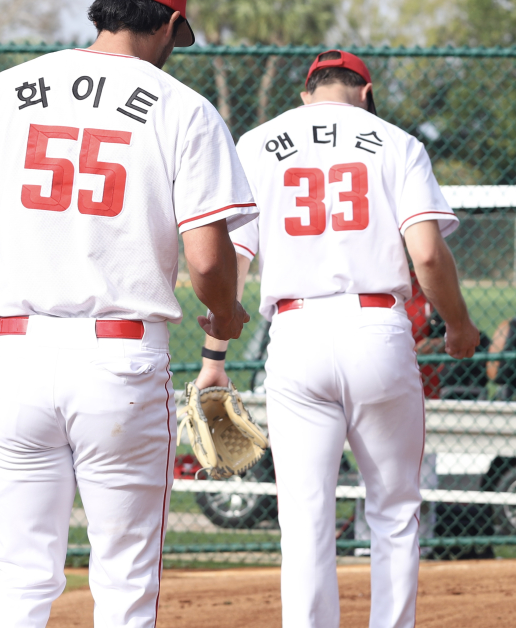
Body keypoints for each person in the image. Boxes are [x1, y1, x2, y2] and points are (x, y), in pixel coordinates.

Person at [0, 0, 257, 628]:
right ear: (168, 23)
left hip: (20, 355)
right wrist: (224, 314)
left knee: (21, 578)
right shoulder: (182, 108)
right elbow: (205, 257)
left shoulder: (7, 88)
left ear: (102, 10)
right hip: (120, 361)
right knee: (124, 582)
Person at [202, 50, 479, 628]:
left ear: (306, 94)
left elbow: (234, 262)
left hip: (295, 332)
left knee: (304, 519)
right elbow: (427, 255)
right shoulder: (398, 142)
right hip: (377, 329)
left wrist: (215, 358)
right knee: (394, 512)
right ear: (366, 92)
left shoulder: (258, 142)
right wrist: (457, 324)